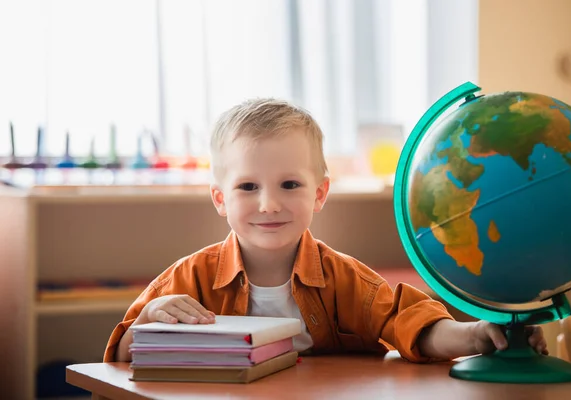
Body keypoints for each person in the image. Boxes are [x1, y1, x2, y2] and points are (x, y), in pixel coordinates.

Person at [104, 98, 547, 363]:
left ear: (320, 193)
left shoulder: (346, 279)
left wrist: (473, 335)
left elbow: (409, 322)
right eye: (247, 187)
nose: (269, 204)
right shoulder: (188, 278)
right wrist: (145, 323)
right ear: (220, 199)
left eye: (290, 184)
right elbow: (121, 356)